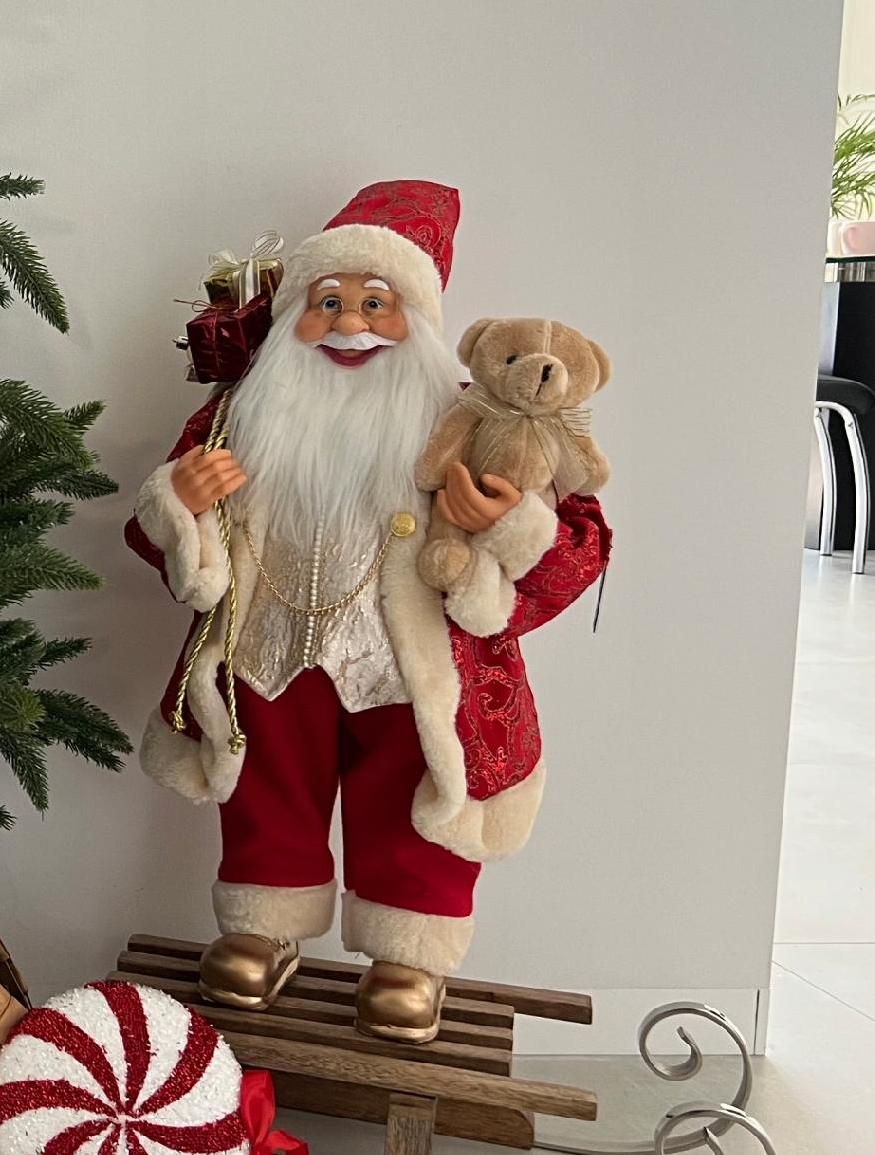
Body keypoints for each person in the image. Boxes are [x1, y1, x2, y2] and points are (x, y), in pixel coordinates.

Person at [127, 182, 608, 1042]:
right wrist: (182, 501)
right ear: (295, 313)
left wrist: (507, 521)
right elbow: (148, 533)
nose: (351, 325)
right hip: (269, 645)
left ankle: (407, 953)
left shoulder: (473, 418)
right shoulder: (240, 413)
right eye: (329, 303)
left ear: (416, 318)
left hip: (408, 662)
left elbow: (579, 548)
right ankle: (264, 927)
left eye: (376, 303)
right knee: (267, 787)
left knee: (415, 799)